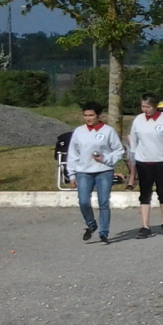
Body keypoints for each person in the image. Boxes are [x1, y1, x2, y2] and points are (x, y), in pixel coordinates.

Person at [125, 93, 163, 238]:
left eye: (148, 107)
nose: (145, 110)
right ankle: (145, 226)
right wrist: (133, 158)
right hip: (143, 162)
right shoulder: (138, 120)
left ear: (155, 106)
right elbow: (134, 140)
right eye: (143, 106)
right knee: (145, 194)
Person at [67, 102, 125, 245]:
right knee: (83, 201)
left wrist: (106, 159)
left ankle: (103, 232)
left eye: (91, 115)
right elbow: (73, 153)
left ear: (98, 116)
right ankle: (91, 224)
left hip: (104, 171)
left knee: (103, 203)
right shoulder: (79, 131)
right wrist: (72, 174)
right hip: (84, 171)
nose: (88, 118)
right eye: (86, 115)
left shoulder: (108, 131)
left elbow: (119, 150)